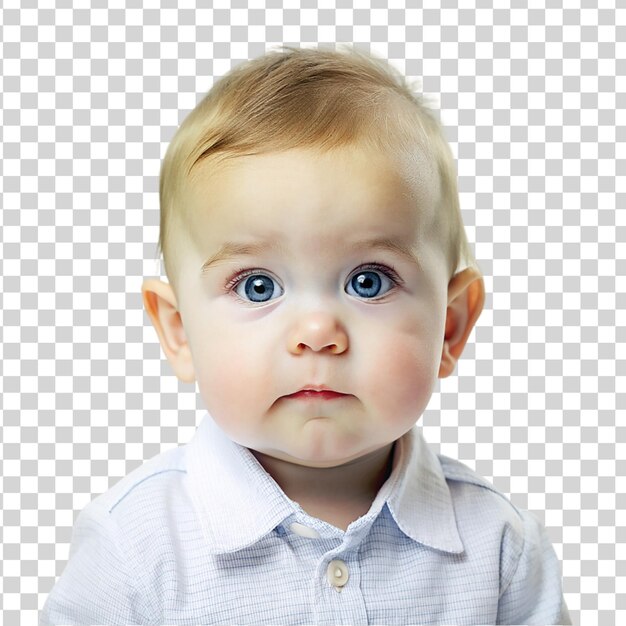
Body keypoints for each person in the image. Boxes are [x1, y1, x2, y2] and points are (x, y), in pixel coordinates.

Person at [41, 44, 571, 625]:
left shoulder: (498, 548)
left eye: (368, 281)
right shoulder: (134, 548)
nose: (317, 334)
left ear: (450, 325)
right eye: (258, 287)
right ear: (179, 331)